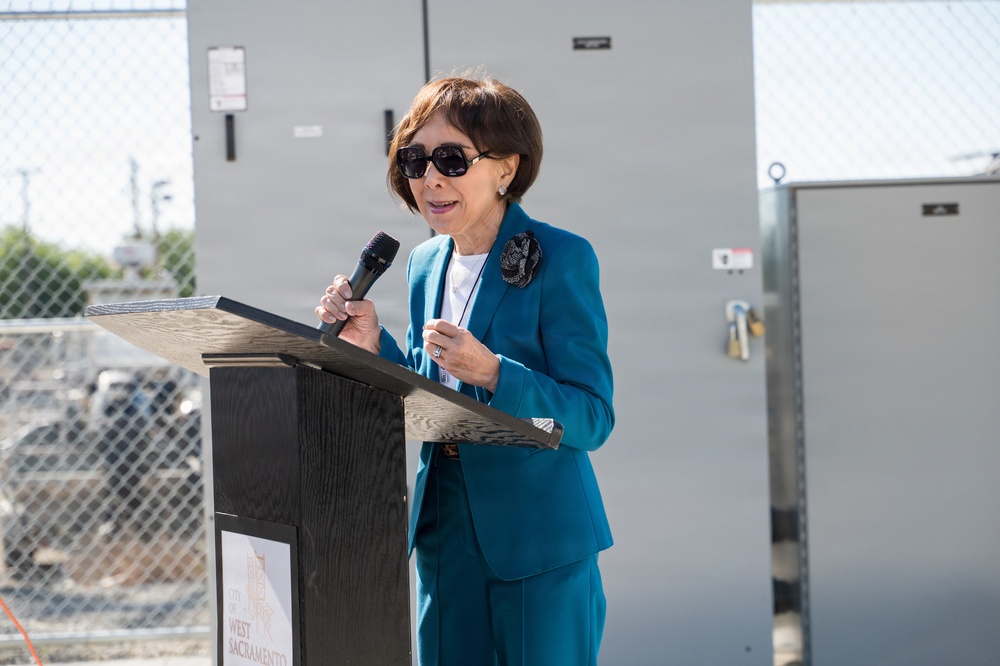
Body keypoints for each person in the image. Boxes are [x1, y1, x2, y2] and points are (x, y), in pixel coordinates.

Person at [316, 75, 615, 666]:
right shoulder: (425, 264)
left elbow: (592, 416)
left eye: (452, 158)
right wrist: (373, 346)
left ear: (506, 168)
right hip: (443, 527)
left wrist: (495, 372)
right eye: (414, 159)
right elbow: (430, 394)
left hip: (538, 534)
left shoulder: (562, 256)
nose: (431, 178)